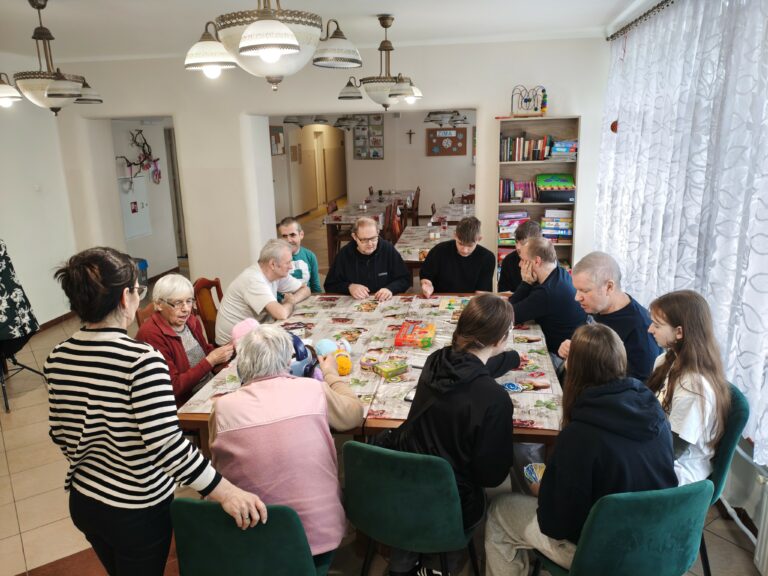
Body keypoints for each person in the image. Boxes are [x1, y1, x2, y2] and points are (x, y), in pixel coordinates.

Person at [44, 247, 267, 576]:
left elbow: (60, 433)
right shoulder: (141, 360)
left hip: (85, 499)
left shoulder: (58, 356)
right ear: (126, 298)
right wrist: (226, 491)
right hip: (135, 508)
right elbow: (168, 446)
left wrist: (104, 460)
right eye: (139, 290)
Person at [484, 323, 677, 576]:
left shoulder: (580, 434)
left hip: (601, 552)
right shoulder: (654, 411)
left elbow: (555, 525)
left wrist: (539, 485)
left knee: (499, 509)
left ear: (574, 370)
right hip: (657, 541)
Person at [388, 294, 519, 576]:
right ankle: (439, 564)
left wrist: (507, 360)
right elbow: (491, 475)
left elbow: (469, 368)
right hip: (451, 500)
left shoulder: (436, 360)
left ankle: (403, 565)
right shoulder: (495, 399)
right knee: (491, 489)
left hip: (404, 482)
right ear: (500, 339)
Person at [209, 324, 352, 566]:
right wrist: (330, 374)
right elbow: (354, 415)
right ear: (288, 361)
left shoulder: (222, 407)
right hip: (320, 539)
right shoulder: (313, 389)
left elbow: (217, 466)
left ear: (241, 365)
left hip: (248, 538)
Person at [646, 290, 731, 485]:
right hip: (658, 447)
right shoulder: (665, 360)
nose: (650, 329)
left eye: (657, 325)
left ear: (679, 332)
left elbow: (673, 451)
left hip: (678, 472)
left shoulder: (693, 387)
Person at [557, 252, 661, 381]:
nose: (577, 297)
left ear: (609, 287)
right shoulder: (597, 307)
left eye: (585, 290)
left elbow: (639, 386)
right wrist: (575, 350)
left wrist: (583, 364)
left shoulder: (641, 330)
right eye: (577, 290)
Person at [136, 274, 234, 407]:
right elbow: (173, 387)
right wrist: (211, 361)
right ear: (159, 304)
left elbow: (204, 351)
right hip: (186, 402)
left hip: (209, 385)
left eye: (189, 301)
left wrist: (227, 353)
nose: (186, 309)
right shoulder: (151, 335)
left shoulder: (191, 321)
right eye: (177, 303)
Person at [215, 239, 311, 344]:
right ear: (273, 264)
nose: (291, 266)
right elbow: (281, 314)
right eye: (287, 263)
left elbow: (306, 289)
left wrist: (292, 299)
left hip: (253, 335)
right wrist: (290, 302)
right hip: (231, 346)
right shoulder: (254, 280)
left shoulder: (277, 273)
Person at [509, 237, 587, 356]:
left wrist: (526, 283)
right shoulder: (560, 273)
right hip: (573, 343)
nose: (520, 265)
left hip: (558, 356)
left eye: (523, 260)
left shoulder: (547, 292)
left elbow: (506, 316)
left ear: (537, 261)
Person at [324, 216, 410, 301]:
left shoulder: (387, 249)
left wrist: (390, 289)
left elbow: (405, 279)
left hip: (384, 302)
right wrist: (349, 287)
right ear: (355, 237)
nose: (370, 244)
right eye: (364, 240)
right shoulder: (344, 254)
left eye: (373, 238)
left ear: (378, 233)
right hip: (355, 304)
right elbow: (329, 285)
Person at [419, 216, 495, 297]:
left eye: (470, 246)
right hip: (441, 298)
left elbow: (481, 293)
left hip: (471, 301)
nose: (465, 250)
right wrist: (426, 284)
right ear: (455, 235)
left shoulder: (487, 258)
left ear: (479, 239)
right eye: (460, 244)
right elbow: (426, 275)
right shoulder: (439, 250)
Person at [277, 216, 322, 293]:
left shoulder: (310, 256)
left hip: (306, 297)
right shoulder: (276, 257)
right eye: (284, 236)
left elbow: (315, 286)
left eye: (292, 235)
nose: (288, 240)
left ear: (301, 235)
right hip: (283, 298)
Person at [497, 220, 543, 293]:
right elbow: (503, 292)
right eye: (516, 242)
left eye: (523, 243)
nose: (518, 247)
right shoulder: (508, 260)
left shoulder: (547, 262)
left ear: (537, 244)